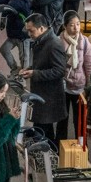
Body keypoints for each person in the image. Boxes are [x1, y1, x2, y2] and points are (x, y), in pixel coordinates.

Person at [20, 13, 67, 143]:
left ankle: (48, 153)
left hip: (48, 98)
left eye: (31, 30)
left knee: (43, 132)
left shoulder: (54, 44)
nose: (29, 34)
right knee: (43, 130)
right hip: (42, 96)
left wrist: (35, 73)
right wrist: (30, 69)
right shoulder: (42, 41)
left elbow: (59, 71)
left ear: (41, 28)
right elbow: (42, 64)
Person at [58, 11, 91, 139]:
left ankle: (81, 145)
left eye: (78, 24)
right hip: (63, 87)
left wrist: (88, 88)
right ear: (65, 26)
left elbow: (89, 66)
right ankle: (60, 145)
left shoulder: (84, 42)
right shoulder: (58, 42)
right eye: (72, 25)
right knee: (62, 119)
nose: (76, 28)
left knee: (79, 120)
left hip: (79, 87)